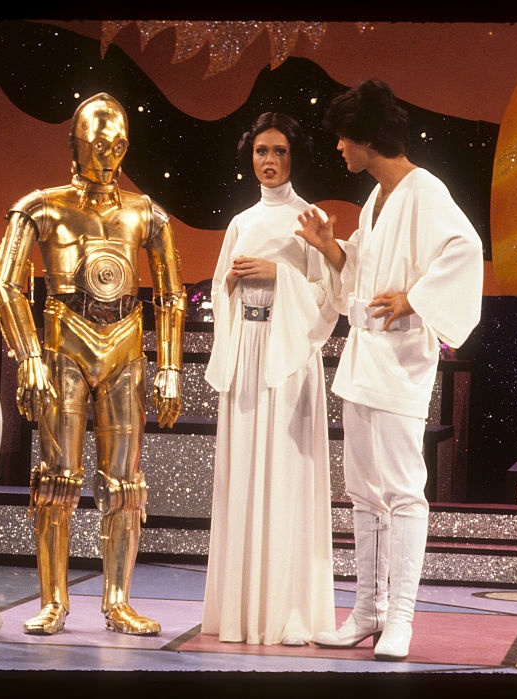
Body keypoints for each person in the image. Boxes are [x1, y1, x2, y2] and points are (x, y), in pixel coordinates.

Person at [0, 92, 186, 636]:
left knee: (125, 483)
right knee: (58, 479)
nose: (108, 154)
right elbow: (6, 283)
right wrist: (27, 356)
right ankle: (54, 601)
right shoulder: (41, 206)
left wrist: (169, 368)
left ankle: (117, 600)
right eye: (98, 143)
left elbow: (171, 295)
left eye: (118, 144)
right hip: (64, 346)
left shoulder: (146, 212)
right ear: (74, 142)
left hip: (125, 348)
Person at [296, 79, 484, 661]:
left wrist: (416, 297)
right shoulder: (377, 200)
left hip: (402, 362)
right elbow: (367, 276)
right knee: (362, 491)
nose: (339, 149)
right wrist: (334, 251)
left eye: (345, 139)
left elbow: (465, 250)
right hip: (364, 361)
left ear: (367, 139)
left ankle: (400, 616)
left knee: (403, 491)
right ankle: (365, 611)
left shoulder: (425, 191)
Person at [202, 112, 339, 646]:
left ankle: (286, 608)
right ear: (250, 157)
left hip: (289, 358)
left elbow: (330, 298)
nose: (270, 161)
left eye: (279, 151)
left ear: (294, 157)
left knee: (284, 473)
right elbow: (218, 290)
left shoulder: (310, 218)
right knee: (244, 472)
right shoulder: (240, 222)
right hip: (249, 354)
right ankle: (241, 609)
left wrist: (277, 274)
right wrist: (236, 287)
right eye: (262, 151)